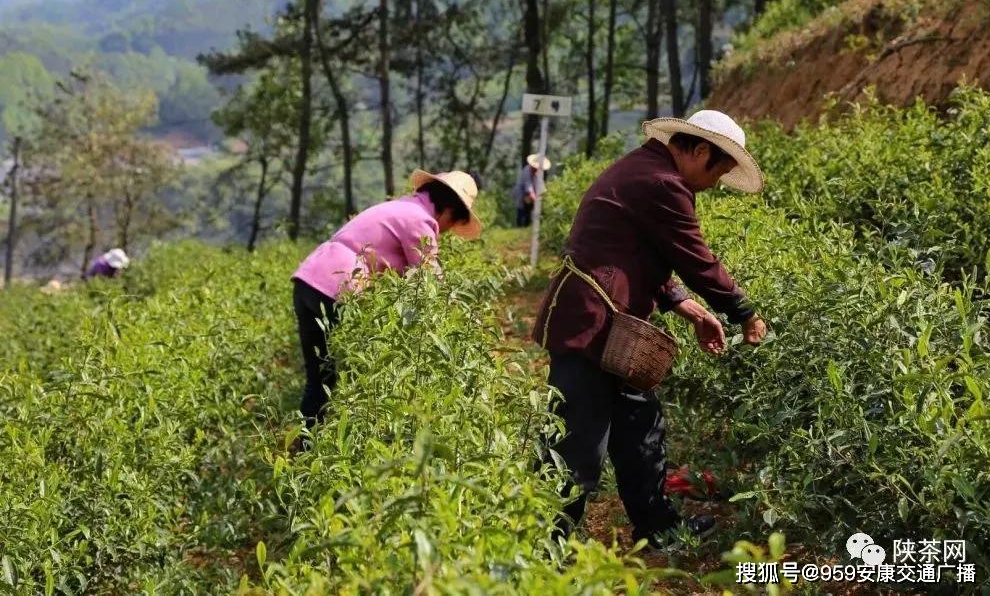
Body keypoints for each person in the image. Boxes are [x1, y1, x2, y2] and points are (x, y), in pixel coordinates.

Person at [532, 110, 769, 550]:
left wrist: (685, 306)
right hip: (592, 325)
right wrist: (744, 312)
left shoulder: (646, 170)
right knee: (575, 445)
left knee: (641, 425)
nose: (715, 184)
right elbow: (696, 259)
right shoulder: (663, 183)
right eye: (718, 171)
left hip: (612, 326)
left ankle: (659, 528)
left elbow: (639, 250)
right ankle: (544, 544)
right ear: (700, 151)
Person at [290, 170, 482, 437]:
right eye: (453, 223)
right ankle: (358, 444)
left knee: (321, 378)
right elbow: (431, 283)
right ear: (450, 211)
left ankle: (305, 448)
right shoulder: (420, 221)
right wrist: (464, 319)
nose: (447, 231)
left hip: (308, 281)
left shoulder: (400, 208)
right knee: (364, 372)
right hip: (339, 287)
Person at [511, 153, 551, 227]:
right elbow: (528, 187)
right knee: (521, 211)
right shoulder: (527, 171)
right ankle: (520, 226)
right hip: (522, 193)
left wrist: (544, 194)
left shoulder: (538, 173)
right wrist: (535, 198)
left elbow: (540, 184)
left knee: (528, 212)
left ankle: (527, 225)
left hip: (530, 195)